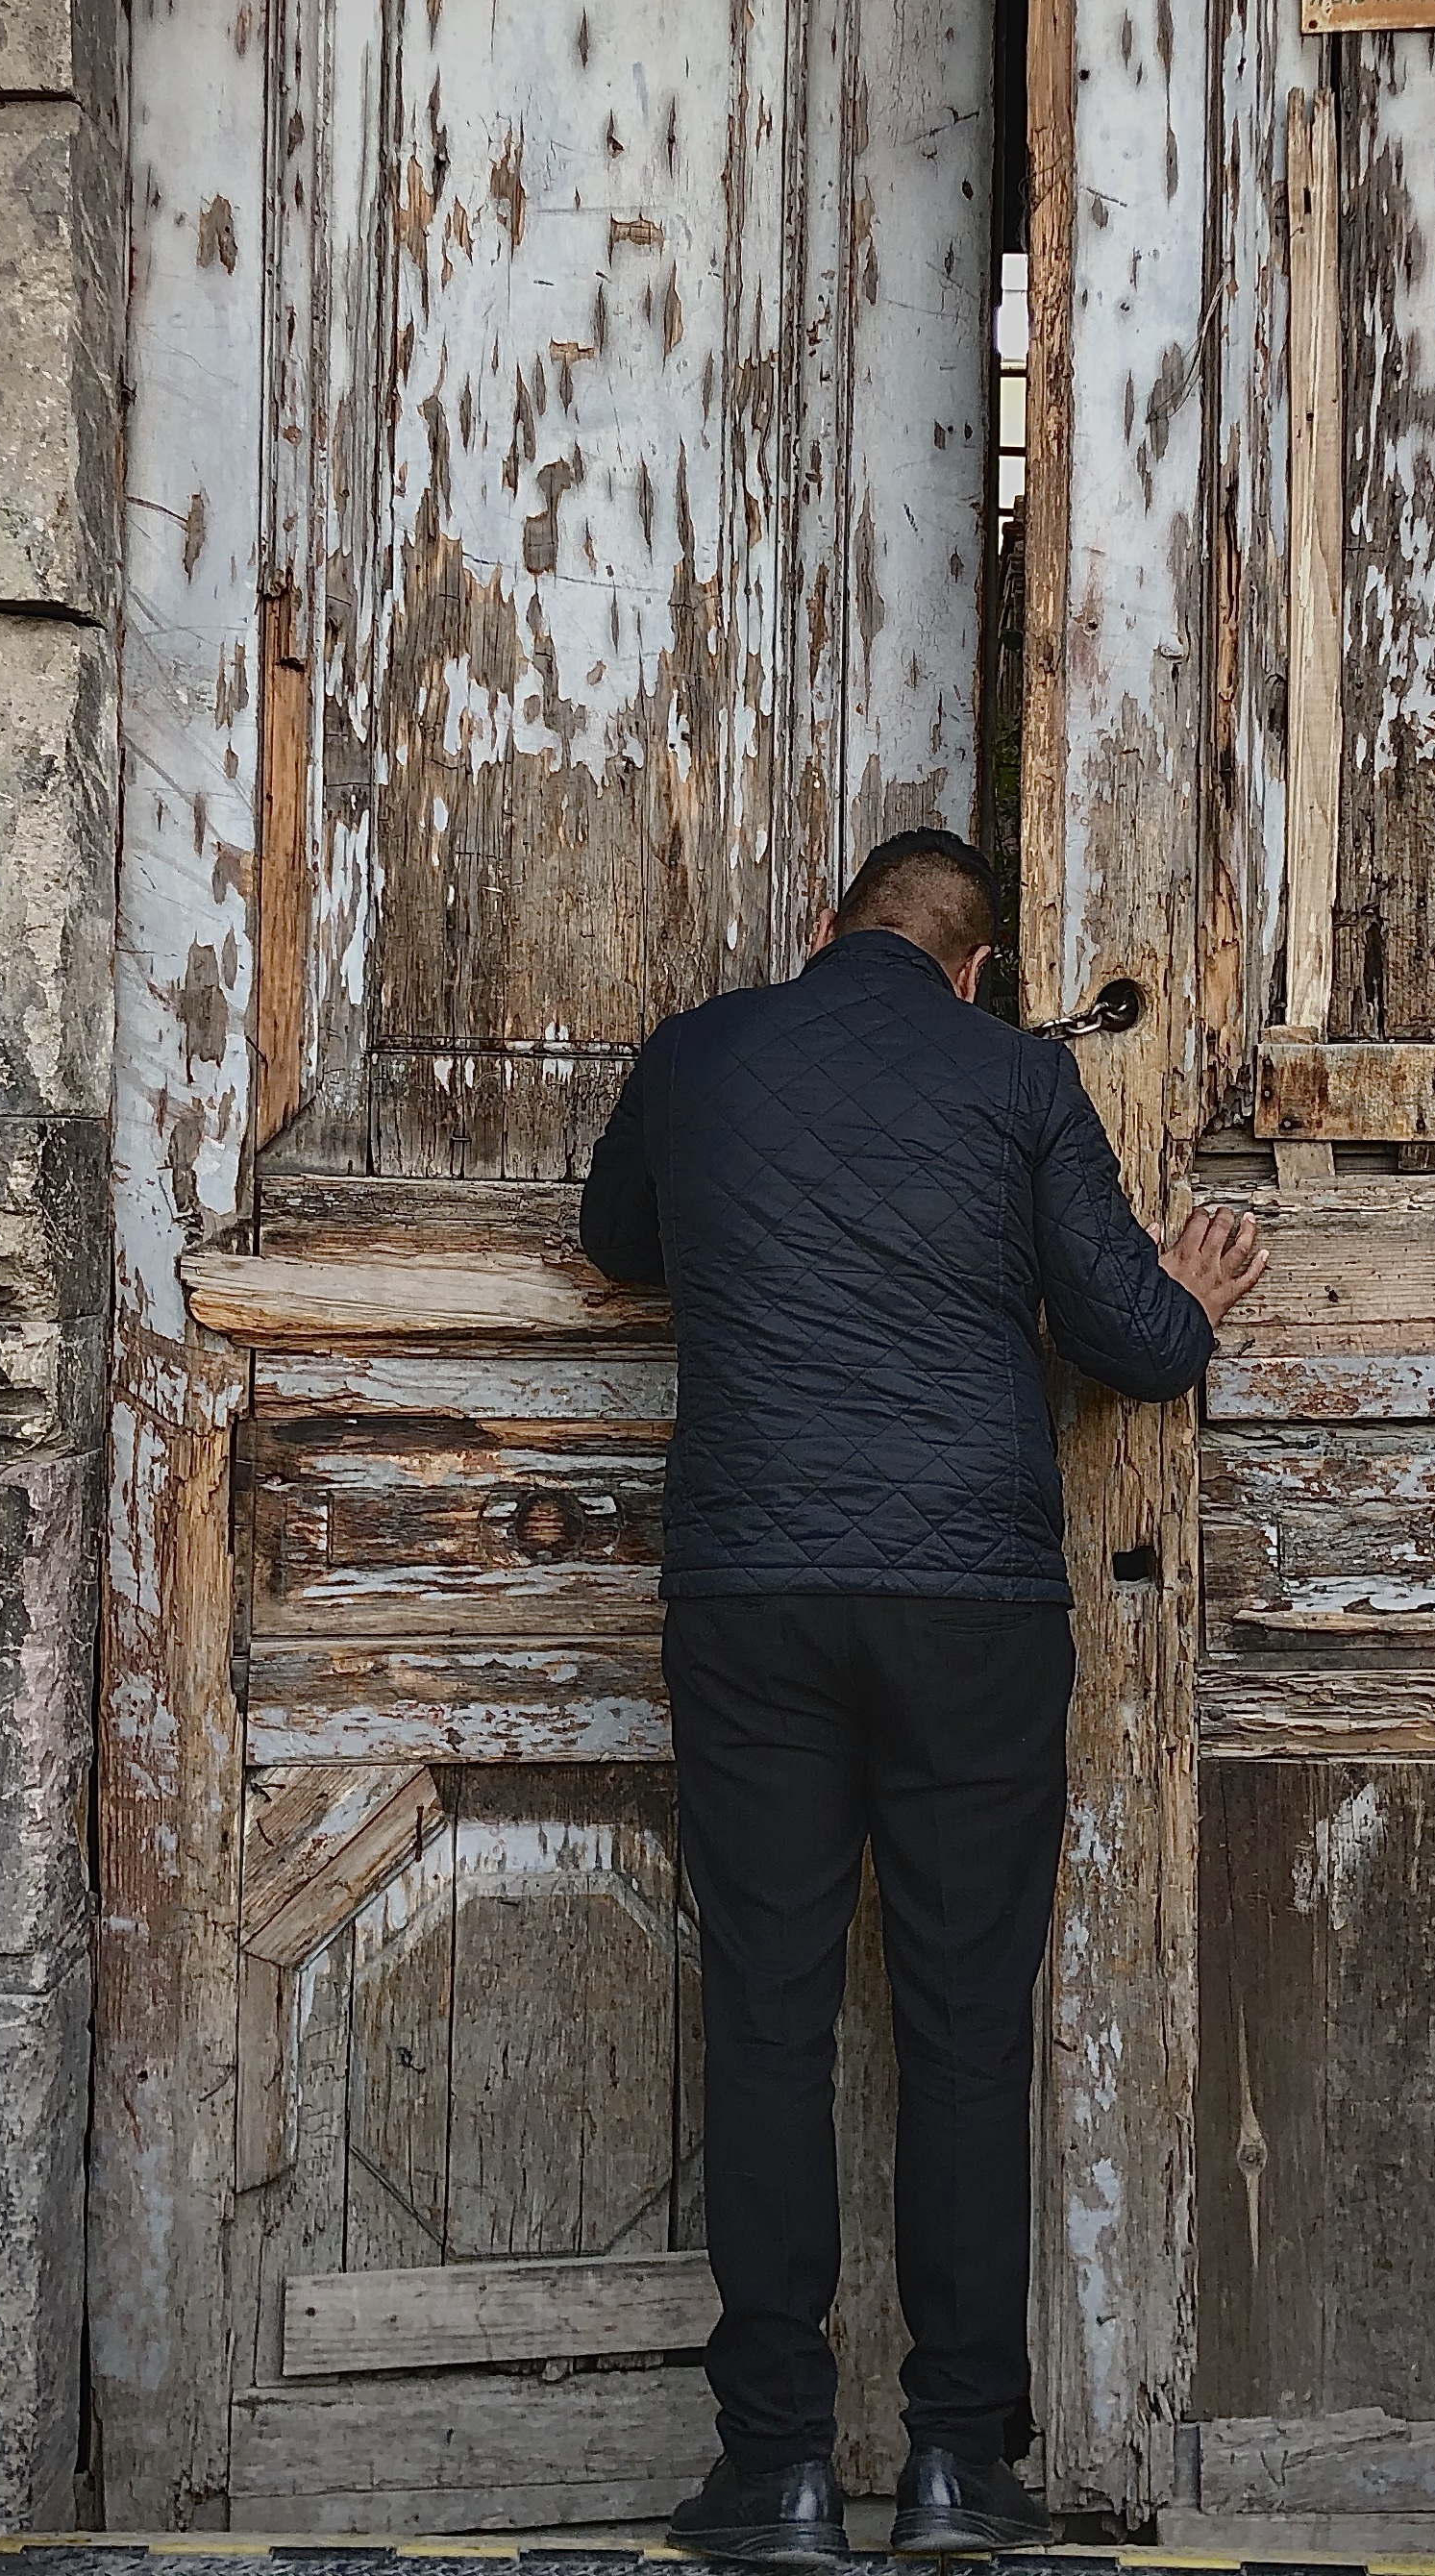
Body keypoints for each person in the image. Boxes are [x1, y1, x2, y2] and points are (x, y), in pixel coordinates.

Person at [580, 827, 1269, 2564]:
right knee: (964, 2028)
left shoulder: (703, 1051)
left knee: (769, 2014)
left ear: (829, 931)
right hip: (969, 1604)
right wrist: (1182, 1296)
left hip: (751, 1596)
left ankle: (783, 2470)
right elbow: (1139, 1343)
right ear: (976, 971)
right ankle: (958, 2465)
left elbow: (617, 1241)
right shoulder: (1017, 1083)